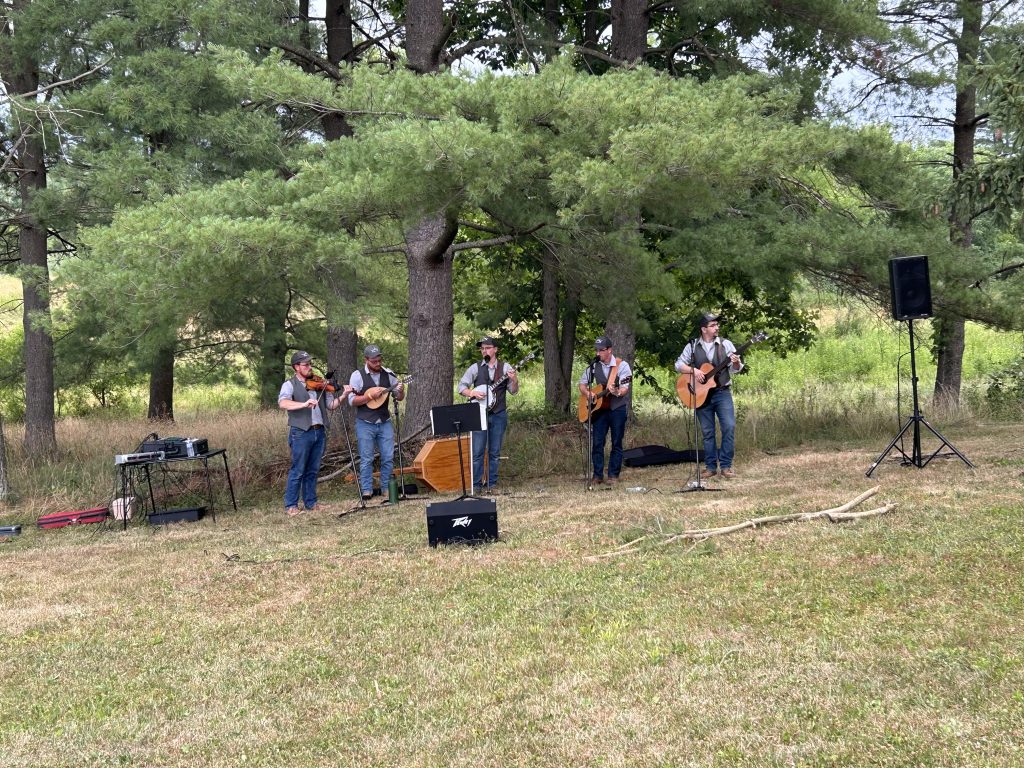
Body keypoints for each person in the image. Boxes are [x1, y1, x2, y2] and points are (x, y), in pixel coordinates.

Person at [278, 351, 351, 516]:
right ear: (296, 367)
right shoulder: (289, 384)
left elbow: (331, 405)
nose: (309, 367)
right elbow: (283, 403)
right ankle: (291, 505)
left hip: (319, 430)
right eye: (305, 365)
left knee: (313, 469)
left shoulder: (319, 383)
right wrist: (303, 404)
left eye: (310, 364)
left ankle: (311, 503)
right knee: (298, 469)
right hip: (301, 432)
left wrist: (344, 395)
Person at [675, 313, 744, 478]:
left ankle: (726, 466)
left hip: (722, 392)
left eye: (717, 325)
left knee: (729, 427)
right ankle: (710, 467)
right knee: (707, 432)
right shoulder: (692, 346)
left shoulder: (725, 344)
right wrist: (694, 371)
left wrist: (735, 362)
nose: (717, 328)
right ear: (703, 329)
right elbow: (679, 364)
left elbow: (736, 368)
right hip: (700, 394)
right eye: (713, 325)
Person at [458, 336, 520, 493]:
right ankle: (477, 486)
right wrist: (472, 393)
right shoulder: (475, 368)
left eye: (487, 348)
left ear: (495, 349)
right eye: (482, 348)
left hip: (498, 414)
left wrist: (514, 380)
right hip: (478, 414)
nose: (484, 351)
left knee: (494, 452)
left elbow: (513, 391)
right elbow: (461, 387)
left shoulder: (505, 368)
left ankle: (492, 484)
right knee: (477, 452)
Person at [348, 344, 405, 501]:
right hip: (365, 422)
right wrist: (369, 397)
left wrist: (401, 391)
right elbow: (352, 401)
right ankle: (367, 490)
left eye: (379, 360)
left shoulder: (389, 374)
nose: (378, 363)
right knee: (367, 458)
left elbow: (399, 397)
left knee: (388, 456)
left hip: (384, 420)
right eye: (374, 361)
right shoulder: (357, 376)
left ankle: (386, 488)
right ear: (366, 360)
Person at [578, 336, 632, 485]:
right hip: (599, 410)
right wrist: (588, 393)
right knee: (597, 442)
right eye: (596, 350)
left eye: (601, 350)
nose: (598, 353)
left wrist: (616, 392)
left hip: (617, 409)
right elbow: (582, 385)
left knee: (616, 442)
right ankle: (597, 475)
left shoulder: (622, 366)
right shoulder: (594, 366)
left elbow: (624, 389)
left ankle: (613, 475)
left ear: (609, 350)